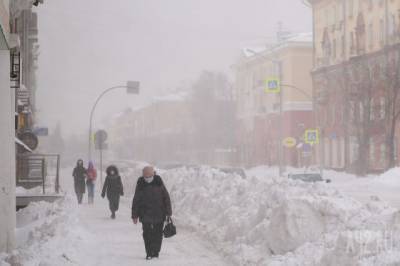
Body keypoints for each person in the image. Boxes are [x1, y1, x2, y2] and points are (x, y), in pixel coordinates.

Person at [131, 166, 172, 260]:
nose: (147, 178)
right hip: (145, 214)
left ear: (153, 174)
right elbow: (136, 200)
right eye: (145, 176)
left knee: (158, 234)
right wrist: (134, 215)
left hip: (159, 213)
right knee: (147, 234)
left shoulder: (159, 183)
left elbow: (166, 198)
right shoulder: (141, 184)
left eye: (149, 176)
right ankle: (149, 252)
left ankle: (156, 252)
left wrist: (168, 212)